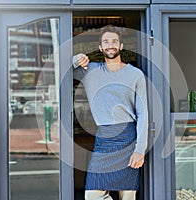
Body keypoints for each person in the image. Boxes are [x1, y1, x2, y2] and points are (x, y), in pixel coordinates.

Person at [73, 25, 148, 200]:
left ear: (121, 46)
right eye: (106, 42)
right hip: (104, 139)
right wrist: (76, 59)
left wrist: (140, 149)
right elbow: (62, 71)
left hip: (128, 139)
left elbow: (143, 113)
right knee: (92, 196)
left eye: (114, 41)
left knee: (128, 196)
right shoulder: (89, 71)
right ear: (100, 48)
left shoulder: (136, 74)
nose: (110, 45)